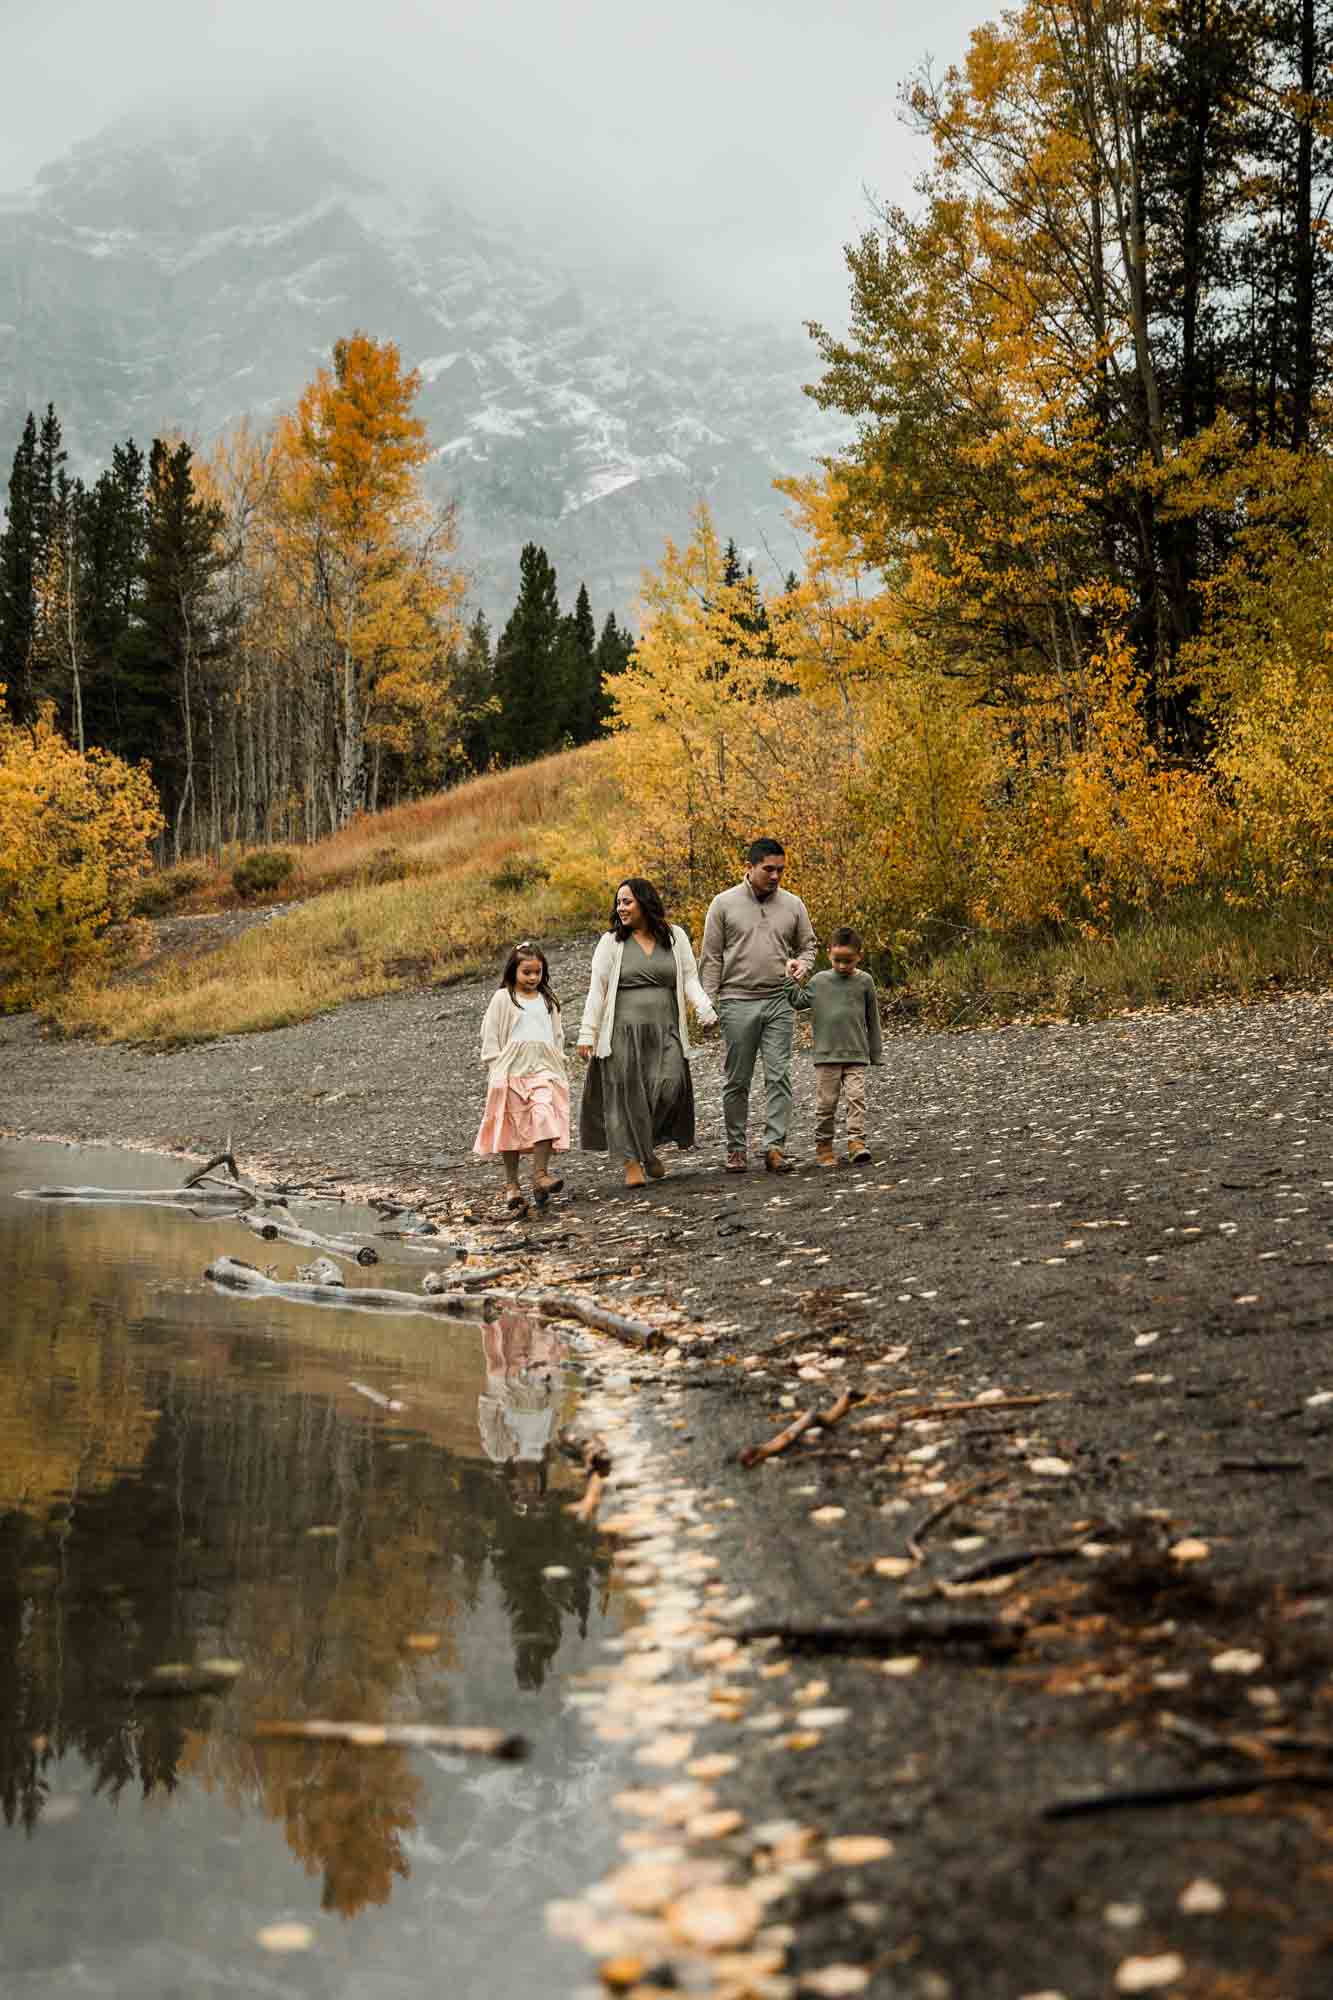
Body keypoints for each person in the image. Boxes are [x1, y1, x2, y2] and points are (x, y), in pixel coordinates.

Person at [577, 876, 717, 1188]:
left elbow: (690, 979)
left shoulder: (674, 937)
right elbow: (596, 991)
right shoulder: (611, 942)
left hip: (665, 1029)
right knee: (627, 1097)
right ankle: (633, 1163)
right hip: (622, 1033)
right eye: (618, 902)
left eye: (627, 901)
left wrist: (705, 1009)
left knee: (670, 1086)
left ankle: (647, 1146)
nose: (621, 907)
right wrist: (588, 1033)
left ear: (644, 902)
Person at [699, 837, 816, 1174]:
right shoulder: (722, 904)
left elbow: (808, 946)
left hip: (779, 1000)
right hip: (736, 1001)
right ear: (748, 868)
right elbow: (711, 957)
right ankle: (736, 1149)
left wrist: (802, 965)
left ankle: (774, 1148)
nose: (776, 875)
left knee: (779, 1076)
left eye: (780, 869)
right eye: (769, 869)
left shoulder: (793, 905)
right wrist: (708, 1006)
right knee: (737, 1079)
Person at [474, 940, 570, 1214]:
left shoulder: (548, 1000)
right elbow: (490, 1035)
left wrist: (558, 1062)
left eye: (537, 972)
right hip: (512, 1070)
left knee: (544, 1113)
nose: (532, 978)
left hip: (542, 1068)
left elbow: (557, 1035)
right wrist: (496, 1066)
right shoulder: (503, 998)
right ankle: (512, 1185)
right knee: (511, 1126)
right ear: (513, 971)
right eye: (526, 972)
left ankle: (540, 1174)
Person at [785, 925, 883, 1166]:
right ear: (828, 953)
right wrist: (789, 978)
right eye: (837, 959)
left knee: (856, 1098)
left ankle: (856, 1142)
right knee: (826, 1104)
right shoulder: (819, 981)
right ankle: (824, 1146)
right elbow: (798, 1001)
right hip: (826, 1056)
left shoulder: (865, 982)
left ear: (859, 955)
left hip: (856, 1055)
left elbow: (873, 1019)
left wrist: (875, 1052)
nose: (841, 965)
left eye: (848, 961)